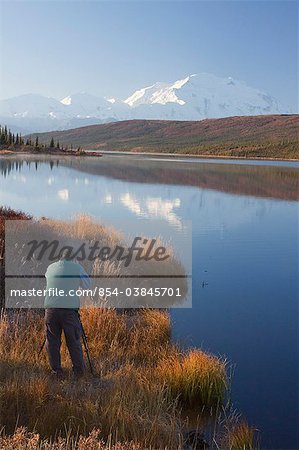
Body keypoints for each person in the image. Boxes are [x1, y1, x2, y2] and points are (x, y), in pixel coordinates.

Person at [44, 250, 91, 378]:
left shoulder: (50, 267)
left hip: (51, 309)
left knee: (52, 342)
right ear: (73, 258)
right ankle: (79, 373)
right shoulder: (76, 267)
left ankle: (56, 372)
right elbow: (87, 285)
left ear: (60, 257)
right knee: (73, 341)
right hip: (68, 310)